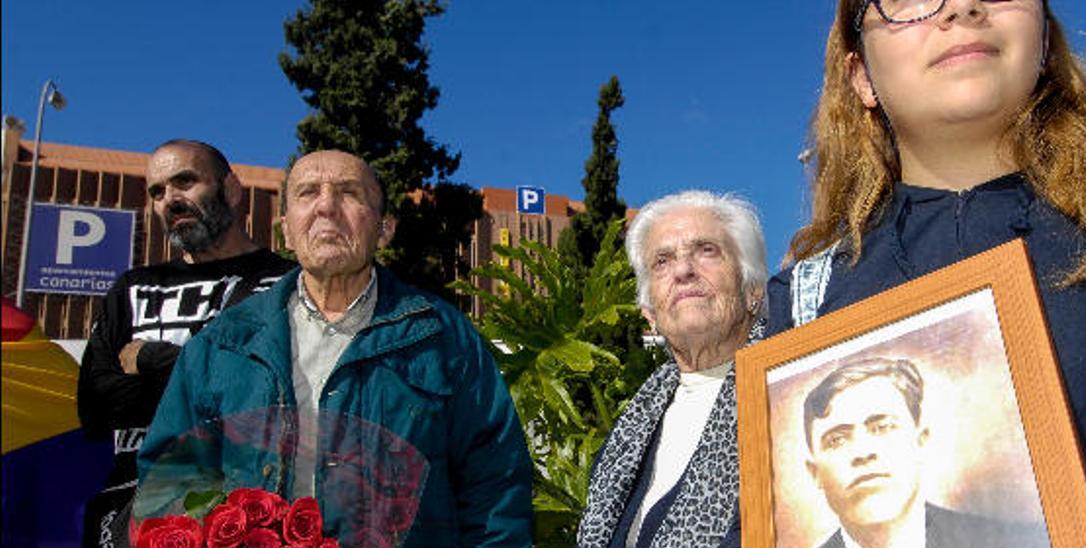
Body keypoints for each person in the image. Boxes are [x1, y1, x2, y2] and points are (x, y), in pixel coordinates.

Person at [766, 0, 1086, 545]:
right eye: (908, 0)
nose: (959, 8)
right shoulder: (802, 303)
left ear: (1043, 39)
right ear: (861, 76)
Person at [135, 150, 532, 545]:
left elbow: (496, 487)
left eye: (349, 193)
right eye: (308, 193)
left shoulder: (444, 338)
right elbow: (168, 485)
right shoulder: (220, 346)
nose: (327, 206)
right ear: (286, 230)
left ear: (384, 228)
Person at [77, 139, 296, 547]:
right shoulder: (132, 287)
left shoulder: (287, 285)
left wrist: (152, 359)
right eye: (157, 192)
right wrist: (221, 383)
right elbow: (97, 403)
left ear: (230, 189)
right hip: (133, 509)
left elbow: (274, 398)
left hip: (250, 513)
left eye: (185, 182)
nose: (169, 200)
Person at [578, 190, 766, 547]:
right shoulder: (631, 429)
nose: (683, 270)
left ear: (752, 289)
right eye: (662, 261)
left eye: (706, 250)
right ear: (650, 312)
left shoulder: (786, 395)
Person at [804, 357, 1046, 548]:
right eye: (837, 440)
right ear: (814, 473)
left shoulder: (1022, 540)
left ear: (921, 441)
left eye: (883, 427)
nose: (863, 452)